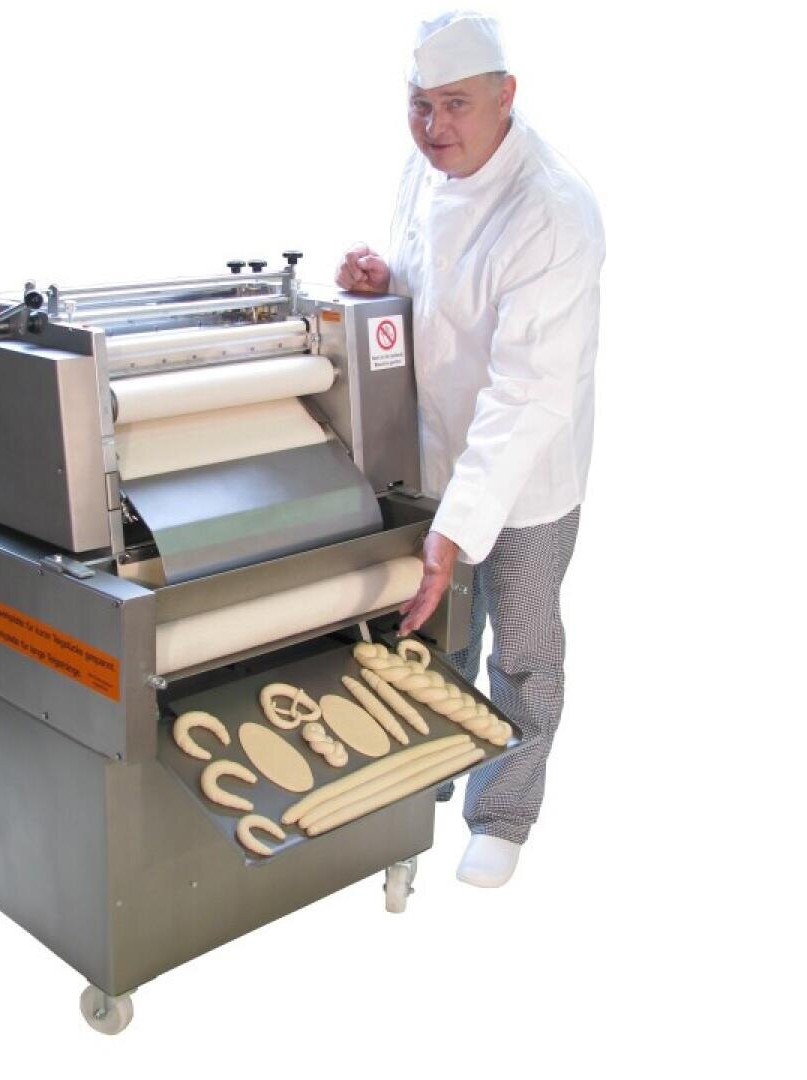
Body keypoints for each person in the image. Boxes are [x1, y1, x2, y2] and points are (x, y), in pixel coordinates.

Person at [337, 11, 604, 888]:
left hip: (524, 477)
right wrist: (383, 288)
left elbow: (526, 392)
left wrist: (456, 533)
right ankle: (431, 773)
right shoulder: (427, 171)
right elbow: (441, 296)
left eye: (455, 105)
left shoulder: (553, 213)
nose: (435, 128)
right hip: (434, 453)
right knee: (435, 636)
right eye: (419, 105)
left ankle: (502, 811)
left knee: (521, 647)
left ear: (506, 97)